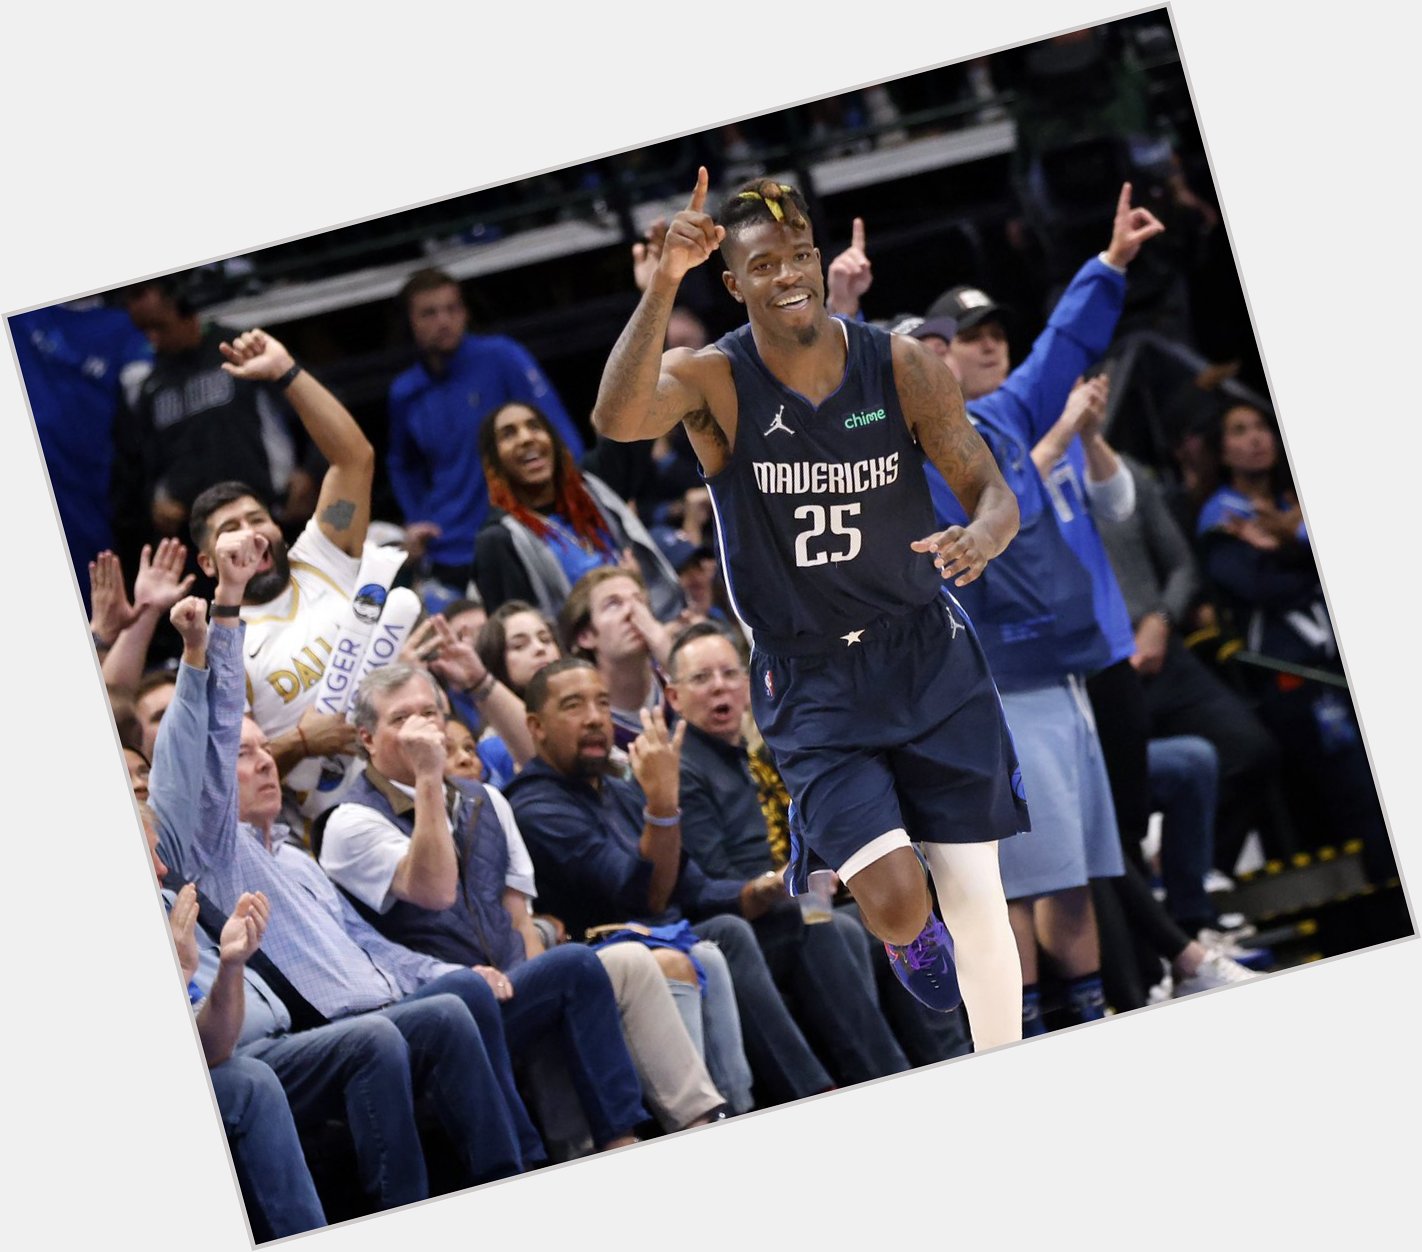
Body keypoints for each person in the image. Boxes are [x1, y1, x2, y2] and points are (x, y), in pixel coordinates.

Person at [587, 169, 1026, 1050]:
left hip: (927, 652)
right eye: (765, 263)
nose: (788, 274)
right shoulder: (713, 378)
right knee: (899, 903)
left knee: (980, 894)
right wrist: (662, 281)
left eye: (799, 255)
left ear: (819, 260)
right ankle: (908, 937)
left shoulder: (903, 364)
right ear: (734, 281)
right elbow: (618, 418)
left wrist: (980, 536)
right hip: (813, 676)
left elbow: (992, 491)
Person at [152, 530, 548, 1185]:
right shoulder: (215, 850)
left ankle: (521, 1170)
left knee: (456, 993)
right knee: (405, 1027)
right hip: (326, 1028)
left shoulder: (297, 858)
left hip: (381, 1000)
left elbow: (369, 946)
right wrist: (225, 608)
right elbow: (213, 733)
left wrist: (438, 970)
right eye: (246, 757)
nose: (256, 763)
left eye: (262, 749)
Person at [316, 663, 652, 1156]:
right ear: (367, 739)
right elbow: (434, 891)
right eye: (401, 719)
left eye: (429, 713)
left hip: (507, 985)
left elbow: (519, 915)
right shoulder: (349, 822)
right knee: (480, 990)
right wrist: (430, 774)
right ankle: (528, 1164)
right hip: (433, 1005)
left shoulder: (487, 798)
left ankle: (623, 1139)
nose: (420, 729)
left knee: (575, 966)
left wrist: (533, 979)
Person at [505, 658, 832, 1108]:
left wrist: (765, 887)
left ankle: (876, 1071)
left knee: (808, 917)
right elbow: (645, 896)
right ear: (536, 726)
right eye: (574, 706)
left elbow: (692, 886)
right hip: (611, 960)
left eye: (602, 703)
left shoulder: (616, 790)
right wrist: (662, 802)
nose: (596, 718)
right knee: (726, 936)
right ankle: (800, 1096)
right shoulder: (535, 807)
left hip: (671, 936)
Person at [666, 621, 965, 1068]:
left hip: (806, 896)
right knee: (828, 923)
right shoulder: (681, 771)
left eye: (729, 674)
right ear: (673, 696)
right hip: (753, 920)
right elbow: (709, 884)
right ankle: (887, 1075)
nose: (719, 688)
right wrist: (777, 883)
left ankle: (957, 1057)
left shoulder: (766, 753)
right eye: (701, 678)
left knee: (898, 892)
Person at [140, 803, 327, 1241]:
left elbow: (210, 1051)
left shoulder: (168, 905)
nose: (164, 868)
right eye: (148, 854)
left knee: (387, 1031)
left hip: (262, 1042)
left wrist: (230, 964)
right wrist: (182, 973)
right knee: (249, 1082)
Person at [386, 269, 586, 592]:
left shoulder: (502, 357)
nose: (444, 320)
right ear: (411, 322)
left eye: (452, 309)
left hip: (523, 531)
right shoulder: (404, 392)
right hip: (450, 547)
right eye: (430, 313)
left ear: (465, 313)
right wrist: (417, 515)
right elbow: (401, 463)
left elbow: (559, 435)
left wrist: (571, 506)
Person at [473, 400, 682, 620]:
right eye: (508, 434)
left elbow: (637, 415)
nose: (526, 438)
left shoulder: (595, 485)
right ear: (493, 461)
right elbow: (518, 639)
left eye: (535, 426)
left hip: (656, 624)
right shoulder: (497, 542)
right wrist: (622, 588)